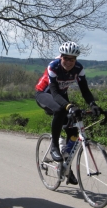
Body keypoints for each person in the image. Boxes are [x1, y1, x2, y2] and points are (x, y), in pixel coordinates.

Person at [35, 41, 101, 185]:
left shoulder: (78, 68)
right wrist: (69, 105)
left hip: (61, 97)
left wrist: (93, 104)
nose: (69, 62)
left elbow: (85, 91)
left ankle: (66, 167)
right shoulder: (54, 66)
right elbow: (54, 92)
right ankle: (54, 146)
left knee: (73, 131)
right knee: (59, 110)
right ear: (61, 57)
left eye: (72, 59)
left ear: (76, 59)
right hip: (45, 94)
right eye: (66, 58)